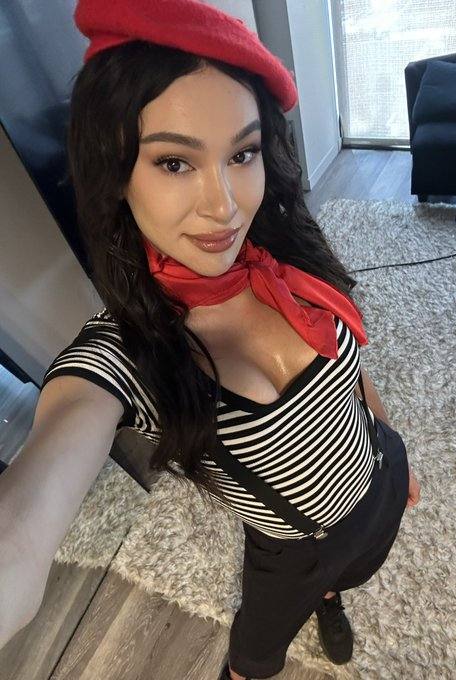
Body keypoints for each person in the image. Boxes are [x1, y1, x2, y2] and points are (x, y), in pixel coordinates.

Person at [0, 1, 420, 678]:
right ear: (115, 171)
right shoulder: (127, 354)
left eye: (243, 153)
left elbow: (349, 368)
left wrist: (390, 446)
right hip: (293, 548)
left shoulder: (289, 257)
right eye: (174, 163)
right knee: (252, 660)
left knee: (348, 574)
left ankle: (332, 597)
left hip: (381, 485)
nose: (224, 205)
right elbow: (21, 528)